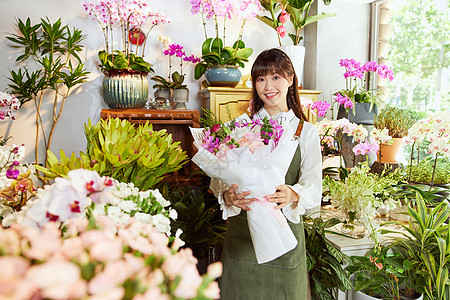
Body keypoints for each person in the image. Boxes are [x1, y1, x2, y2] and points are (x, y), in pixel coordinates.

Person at [209, 48, 322, 300]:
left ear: (291, 79)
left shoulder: (305, 131)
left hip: (285, 241)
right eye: (261, 79)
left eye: (276, 77)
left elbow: (314, 185)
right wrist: (227, 196)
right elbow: (217, 178)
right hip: (242, 240)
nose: (268, 86)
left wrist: (293, 194)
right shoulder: (240, 127)